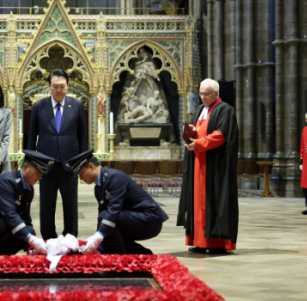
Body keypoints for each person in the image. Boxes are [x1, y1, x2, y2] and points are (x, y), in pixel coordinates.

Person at [177, 78, 239, 255]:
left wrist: (200, 143)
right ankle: (199, 241)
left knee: (213, 200)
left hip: (215, 166)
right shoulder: (199, 110)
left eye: (207, 94)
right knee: (197, 202)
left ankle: (216, 242)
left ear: (216, 93)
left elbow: (221, 135)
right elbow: (197, 129)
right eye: (201, 94)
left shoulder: (225, 110)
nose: (203, 97)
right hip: (198, 163)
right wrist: (190, 132)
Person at [67, 150, 169, 255]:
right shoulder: (99, 188)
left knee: (107, 220)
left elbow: (113, 210)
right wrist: (97, 243)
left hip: (149, 219)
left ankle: (117, 261)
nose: (81, 178)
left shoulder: (115, 178)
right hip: (133, 218)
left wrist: (98, 236)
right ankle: (141, 255)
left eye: (81, 173)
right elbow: (103, 220)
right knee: (108, 228)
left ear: (91, 166)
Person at [28, 69, 88, 240]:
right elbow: (32, 136)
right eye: (55, 86)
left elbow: (82, 136)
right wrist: (30, 163)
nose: (59, 90)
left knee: (70, 205)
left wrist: (83, 163)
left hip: (70, 164)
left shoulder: (76, 105)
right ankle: (49, 239)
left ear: (68, 86)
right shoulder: (39, 106)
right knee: (46, 205)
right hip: (46, 165)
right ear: (49, 87)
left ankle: (70, 238)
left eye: (62, 86)